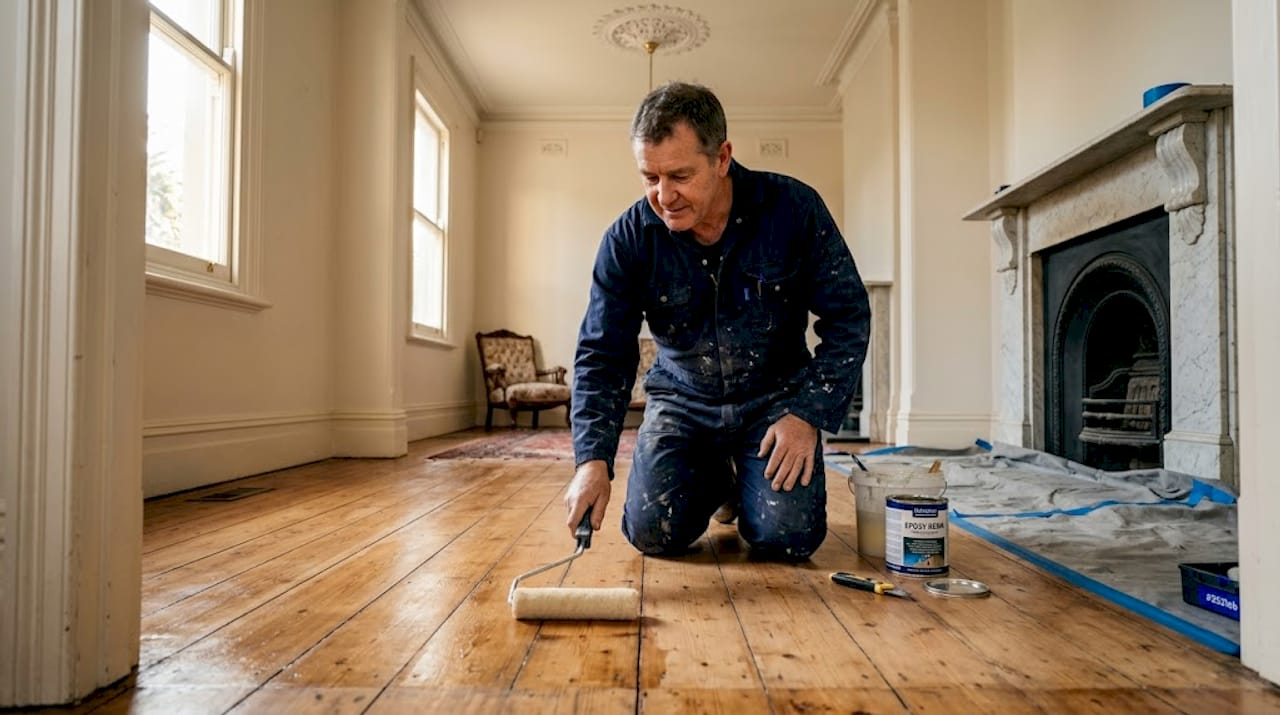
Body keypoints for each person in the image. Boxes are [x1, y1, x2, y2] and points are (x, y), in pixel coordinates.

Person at [566, 81, 870, 561]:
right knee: (652, 533)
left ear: (722, 157)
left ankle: (750, 481)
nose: (663, 196)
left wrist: (808, 414)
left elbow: (849, 315)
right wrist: (592, 459)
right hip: (683, 401)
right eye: (649, 177)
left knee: (786, 539)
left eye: (680, 176)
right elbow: (603, 354)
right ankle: (722, 480)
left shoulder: (794, 210)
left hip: (775, 401)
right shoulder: (627, 240)